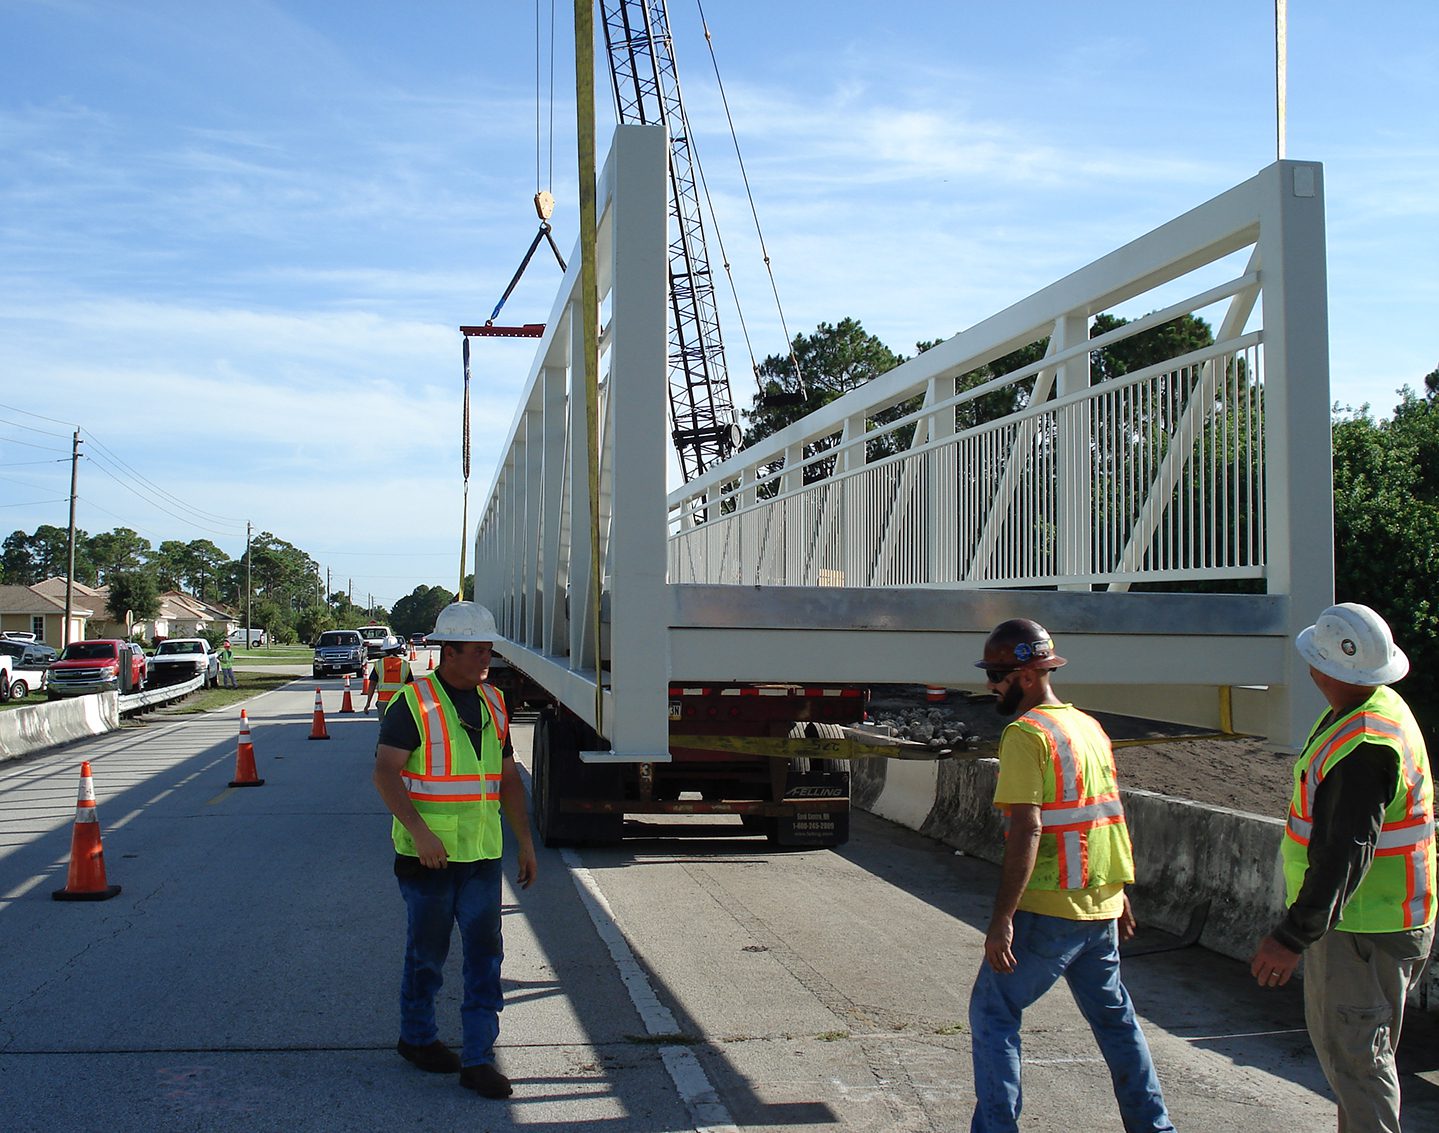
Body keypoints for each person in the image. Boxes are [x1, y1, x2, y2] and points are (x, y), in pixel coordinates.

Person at [968, 618, 1174, 1133]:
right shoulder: (1087, 726)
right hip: (1099, 905)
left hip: (1049, 904)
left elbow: (1027, 828)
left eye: (998, 672)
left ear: (1028, 675)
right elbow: (1108, 813)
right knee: (1115, 1020)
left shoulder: (1026, 734)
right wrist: (1120, 890)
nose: (991, 683)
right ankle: (1154, 1127)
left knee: (993, 1013)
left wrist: (1002, 919)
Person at [1250, 602, 1434, 1132]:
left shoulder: (1361, 745)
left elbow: (1343, 853)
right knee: (1361, 1061)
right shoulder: (1379, 710)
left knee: (1358, 1064)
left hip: (1362, 929)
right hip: (1388, 919)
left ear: (1322, 668)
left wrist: (1292, 936)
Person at [372, 601, 537, 1099]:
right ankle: (418, 1038)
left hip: (483, 858)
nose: (486, 658)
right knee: (428, 955)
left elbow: (507, 778)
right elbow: (385, 773)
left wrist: (525, 842)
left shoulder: (494, 702)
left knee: (486, 957)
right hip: (429, 860)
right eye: (478, 650)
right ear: (449, 650)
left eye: (489, 649)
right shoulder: (412, 703)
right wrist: (421, 833)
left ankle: (479, 1060)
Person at [364, 640, 412, 716]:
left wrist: (368, 703)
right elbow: (410, 686)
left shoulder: (379, 664)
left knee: (384, 726)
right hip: (399, 701)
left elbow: (372, 685)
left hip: (383, 701)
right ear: (396, 648)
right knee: (399, 726)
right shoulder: (405, 665)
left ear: (385, 650)